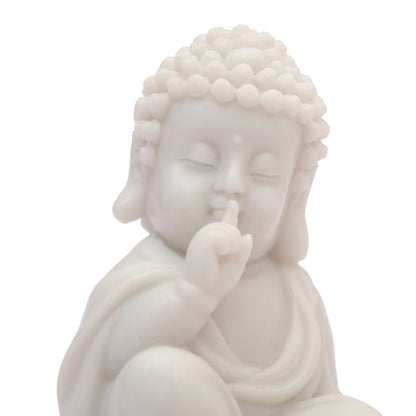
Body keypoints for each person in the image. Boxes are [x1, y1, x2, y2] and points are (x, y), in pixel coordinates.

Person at [58, 25, 381, 416]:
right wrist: (193, 293)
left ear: (295, 193)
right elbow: (111, 356)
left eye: (263, 172)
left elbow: (323, 393)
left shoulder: (297, 292)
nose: (232, 185)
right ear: (146, 164)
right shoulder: (144, 274)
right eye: (201, 162)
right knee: (156, 376)